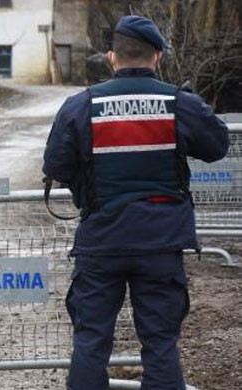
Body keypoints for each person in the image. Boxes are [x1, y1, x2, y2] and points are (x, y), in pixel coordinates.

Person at [42, 15, 229, 390]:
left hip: (101, 241)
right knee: (161, 342)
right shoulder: (178, 103)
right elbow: (218, 146)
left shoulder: (82, 104)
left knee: (91, 342)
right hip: (161, 242)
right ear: (157, 57)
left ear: (113, 57)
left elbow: (56, 165)